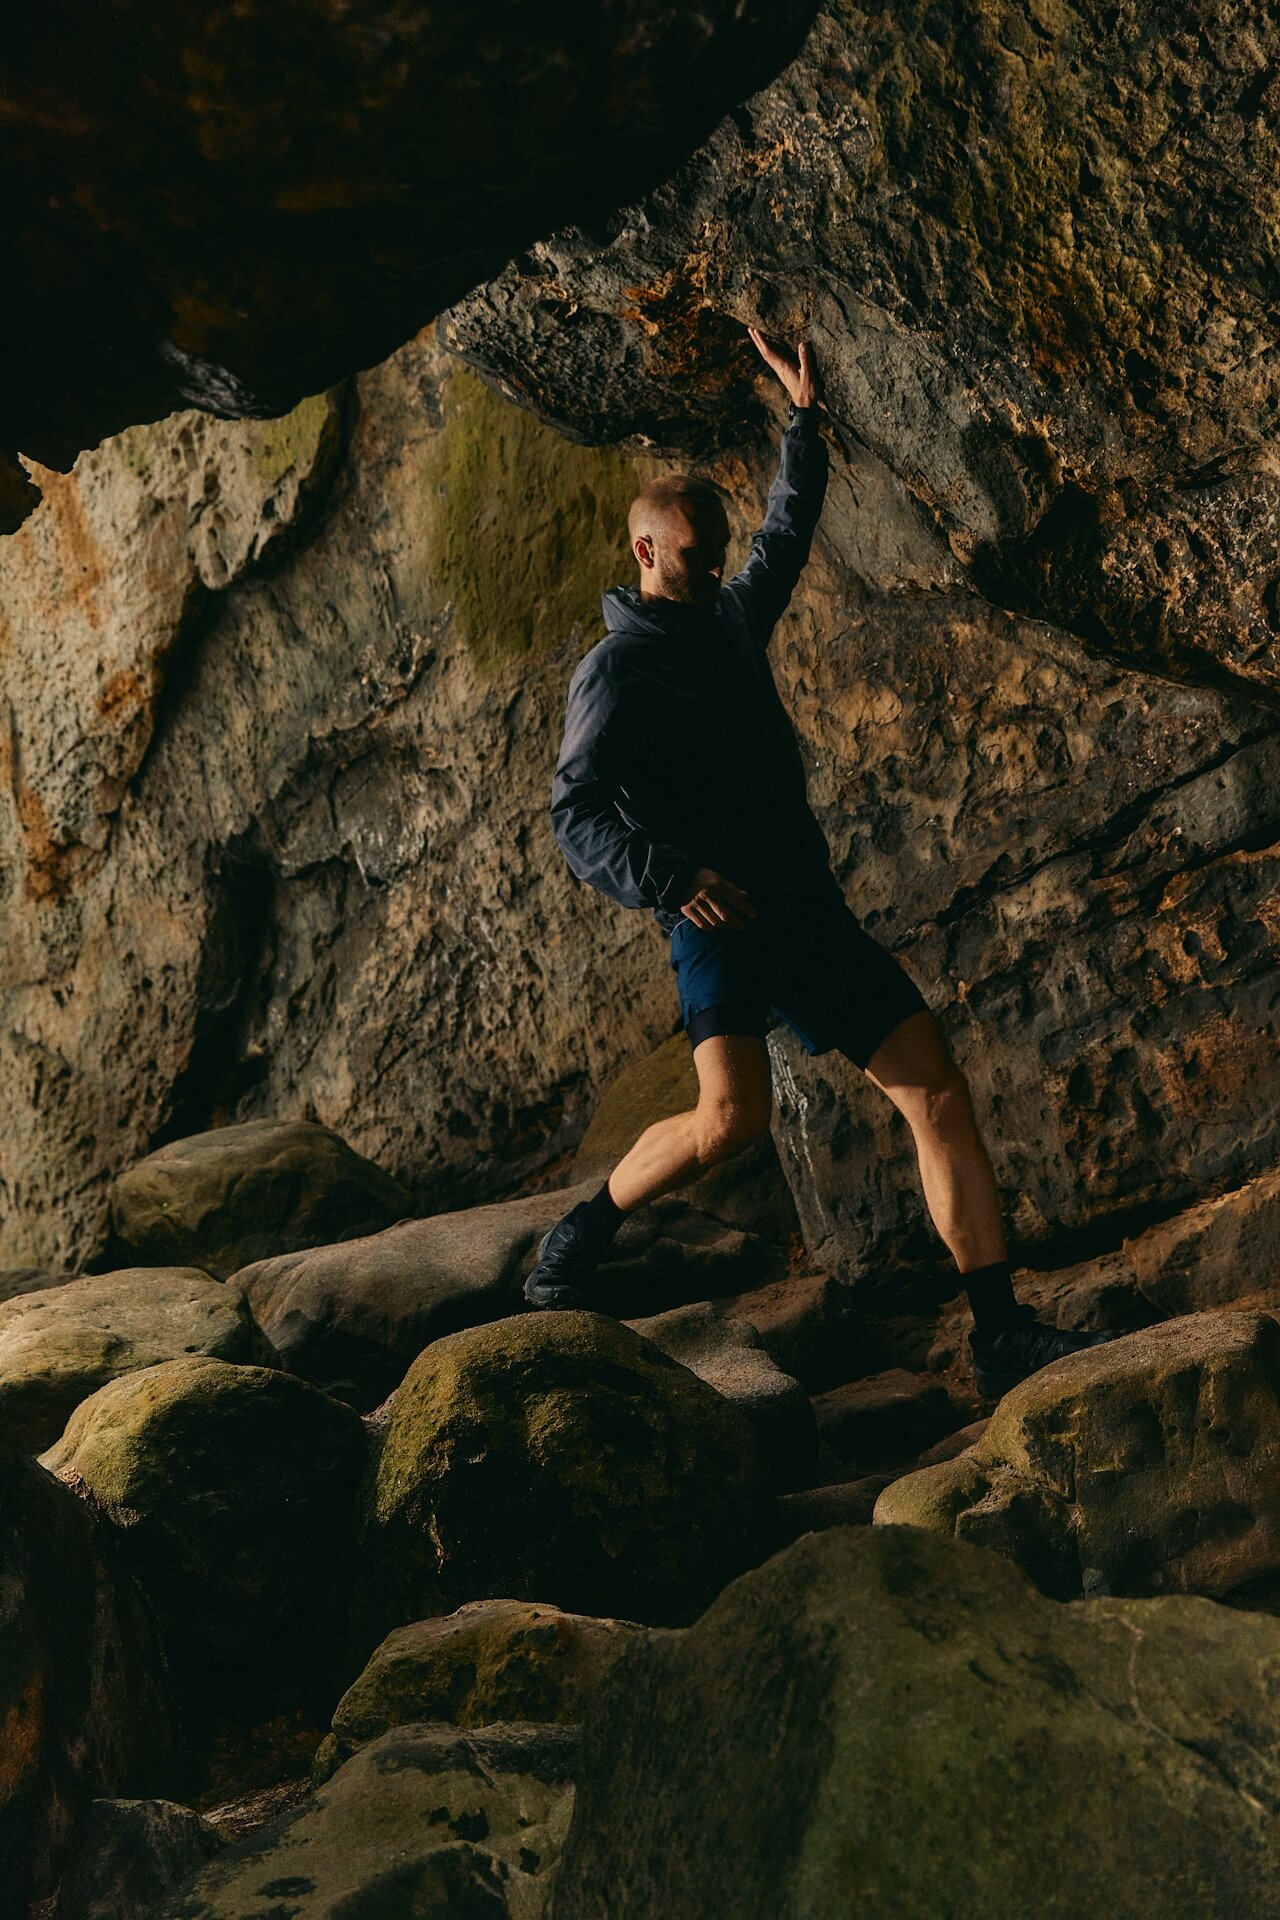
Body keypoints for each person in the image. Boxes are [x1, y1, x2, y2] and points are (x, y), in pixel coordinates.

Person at [525, 324, 1116, 1400]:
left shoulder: (730, 621)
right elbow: (573, 813)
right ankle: (585, 1223)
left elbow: (784, 536)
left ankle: (997, 1331)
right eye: (695, 559)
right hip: (713, 923)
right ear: (646, 552)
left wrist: (802, 421)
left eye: (717, 555)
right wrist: (671, 879)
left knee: (933, 1088)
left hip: (804, 907)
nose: (714, 573)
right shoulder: (613, 675)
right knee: (727, 1122)